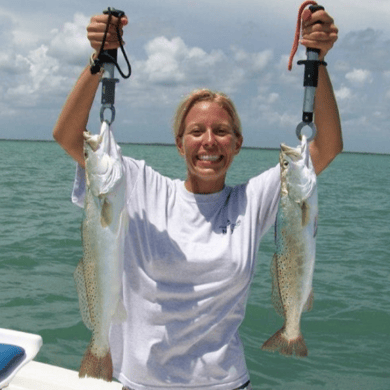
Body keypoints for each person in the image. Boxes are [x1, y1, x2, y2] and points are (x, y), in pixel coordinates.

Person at [53, 8, 342, 390]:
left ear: (238, 144)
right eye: (196, 131)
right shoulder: (138, 185)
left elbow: (328, 146)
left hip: (225, 382)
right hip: (141, 383)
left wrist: (317, 61)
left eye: (222, 131)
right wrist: (99, 60)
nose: (209, 141)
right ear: (179, 143)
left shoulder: (255, 200)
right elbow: (69, 137)